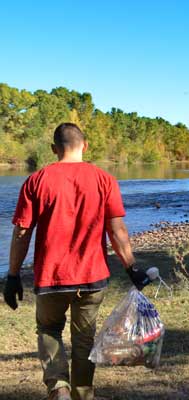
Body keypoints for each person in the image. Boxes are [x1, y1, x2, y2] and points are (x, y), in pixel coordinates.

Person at [2, 123, 150, 400]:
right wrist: (131, 267)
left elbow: (22, 231)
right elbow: (116, 230)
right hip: (92, 277)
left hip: (51, 277)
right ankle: (83, 395)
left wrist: (12, 275)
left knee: (48, 329)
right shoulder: (104, 179)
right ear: (85, 145)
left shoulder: (37, 180)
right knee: (84, 340)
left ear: (53, 149)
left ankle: (59, 388)